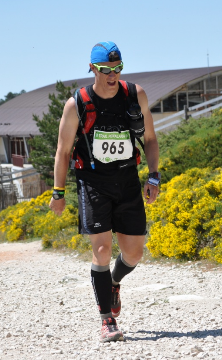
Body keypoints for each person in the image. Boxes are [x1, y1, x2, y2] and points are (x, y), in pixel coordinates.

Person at [49, 41, 160, 342]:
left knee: (134, 253)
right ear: (92, 69)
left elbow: (149, 139)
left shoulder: (135, 95)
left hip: (127, 181)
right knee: (102, 250)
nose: (112, 75)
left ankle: (114, 282)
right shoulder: (78, 104)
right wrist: (58, 192)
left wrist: (154, 177)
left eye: (117, 69)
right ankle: (106, 320)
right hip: (93, 182)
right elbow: (62, 151)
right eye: (105, 70)